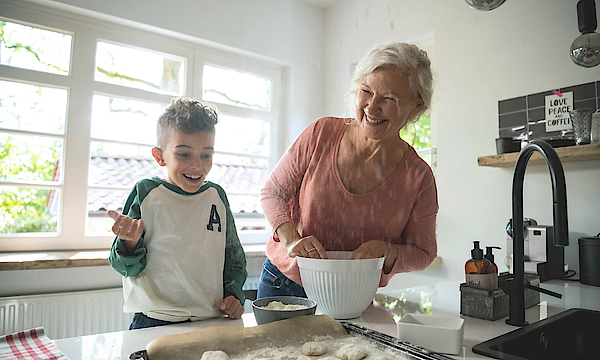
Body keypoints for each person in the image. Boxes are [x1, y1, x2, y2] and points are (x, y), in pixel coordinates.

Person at [258, 41, 438, 298]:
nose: (371, 108)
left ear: (416, 105)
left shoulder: (418, 178)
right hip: (286, 284)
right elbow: (273, 192)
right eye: (366, 91)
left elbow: (424, 253)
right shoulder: (321, 134)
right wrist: (291, 239)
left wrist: (389, 251)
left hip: (354, 294)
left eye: (389, 98)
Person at [108, 98, 247, 329]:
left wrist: (234, 295)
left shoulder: (217, 197)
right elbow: (125, 267)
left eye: (206, 155)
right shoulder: (146, 192)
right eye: (184, 154)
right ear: (160, 156)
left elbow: (233, 259)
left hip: (210, 319)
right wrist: (130, 243)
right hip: (153, 320)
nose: (197, 166)